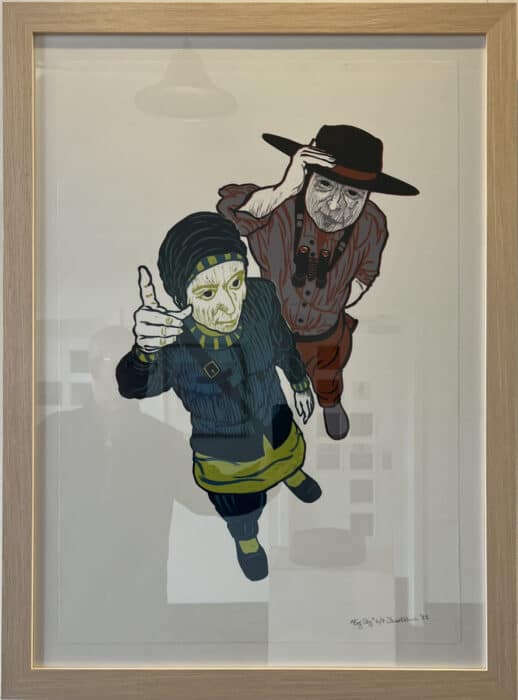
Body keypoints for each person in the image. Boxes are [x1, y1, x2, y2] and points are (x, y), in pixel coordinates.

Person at [116, 212, 320, 581]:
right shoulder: (174, 344)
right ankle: (247, 541)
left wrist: (299, 382)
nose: (229, 304)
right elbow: (135, 387)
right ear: (182, 298)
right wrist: (144, 350)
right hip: (226, 451)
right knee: (241, 508)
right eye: (207, 293)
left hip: (274, 417)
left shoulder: (260, 299)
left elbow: (281, 342)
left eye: (235, 282)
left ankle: (292, 475)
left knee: (289, 455)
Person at [217, 124, 419, 440]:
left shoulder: (372, 223)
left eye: (352, 194)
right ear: (307, 175)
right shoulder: (277, 206)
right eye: (324, 185)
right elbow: (229, 221)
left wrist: (338, 299)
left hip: (325, 330)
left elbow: (367, 271)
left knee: (327, 373)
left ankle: (330, 402)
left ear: (367, 196)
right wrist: (285, 188)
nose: (335, 206)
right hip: (270, 324)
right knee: (256, 373)